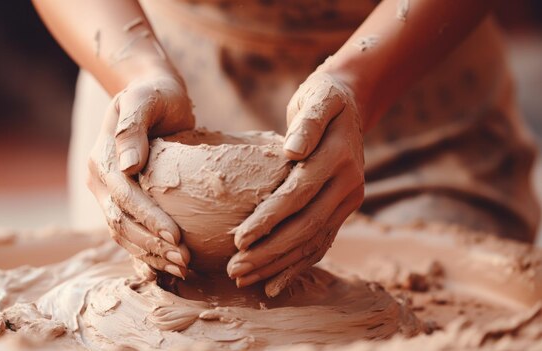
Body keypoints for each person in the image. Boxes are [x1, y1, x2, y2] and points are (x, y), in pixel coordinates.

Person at [33, 0, 540, 295]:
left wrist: (357, 85)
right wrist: (135, 70)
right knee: (119, 302)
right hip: (155, 68)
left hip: (413, 77)